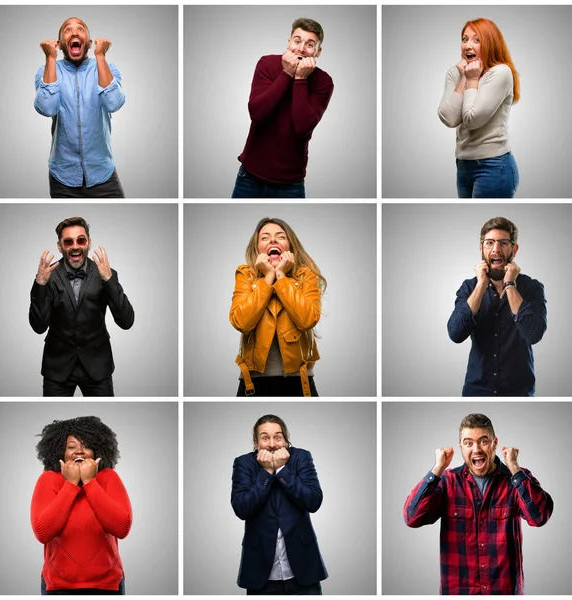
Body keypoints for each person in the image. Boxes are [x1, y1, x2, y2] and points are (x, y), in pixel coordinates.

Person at [404, 413, 553, 595]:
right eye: (468, 443)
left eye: (483, 441)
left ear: (495, 443)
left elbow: (539, 516)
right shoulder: (447, 481)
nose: (476, 449)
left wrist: (515, 468)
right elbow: (412, 517)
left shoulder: (516, 479)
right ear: (461, 447)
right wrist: (436, 470)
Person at [29, 216, 135, 396]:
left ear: (88, 243)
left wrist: (109, 280)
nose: (75, 246)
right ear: (60, 246)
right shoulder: (48, 276)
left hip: (97, 365)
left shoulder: (106, 274)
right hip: (57, 367)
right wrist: (40, 284)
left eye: (81, 240)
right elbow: (39, 326)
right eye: (68, 242)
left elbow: (126, 321)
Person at [231, 18, 334, 198]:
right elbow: (257, 113)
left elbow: (302, 128)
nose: (301, 48)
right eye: (297, 41)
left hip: (290, 183)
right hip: (249, 177)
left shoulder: (323, 82)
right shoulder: (266, 64)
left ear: (318, 52)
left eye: (310, 44)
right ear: (288, 43)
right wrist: (287, 74)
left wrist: (300, 79)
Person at [31, 416, 132, 594]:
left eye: (86, 446)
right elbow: (42, 532)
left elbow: (121, 528)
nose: (79, 452)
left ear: (98, 451)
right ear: (60, 452)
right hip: (58, 586)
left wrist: (89, 482)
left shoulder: (109, 477)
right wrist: (70, 485)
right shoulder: (48, 479)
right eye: (71, 447)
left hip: (107, 584)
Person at [447, 217, 546, 396]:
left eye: (503, 243)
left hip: (519, 393)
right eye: (489, 243)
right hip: (476, 391)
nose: (496, 249)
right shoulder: (469, 287)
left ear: (514, 249)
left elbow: (534, 334)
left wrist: (510, 285)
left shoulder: (532, 287)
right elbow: (455, 333)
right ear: (481, 248)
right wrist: (480, 285)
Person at [231, 414, 328, 594]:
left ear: (286, 440)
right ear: (255, 443)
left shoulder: (301, 457)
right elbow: (241, 508)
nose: (272, 444)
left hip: (303, 571)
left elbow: (314, 501)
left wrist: (282, 470)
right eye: (265, 438)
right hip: (261, 574)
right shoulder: (244, 463)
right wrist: (267, 472)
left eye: (278, 437)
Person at [229, 218, 326, 396]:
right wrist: (267, 277)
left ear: (290, 245)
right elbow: (241, 322)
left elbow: (307, 320)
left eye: (280, 236)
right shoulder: (245, 275)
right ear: (257, 248)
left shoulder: (306, 276)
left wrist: (280, 275)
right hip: (252, 382)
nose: (273, 240)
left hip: (299, 380)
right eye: (265, 238)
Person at [34, 17, 125, 198]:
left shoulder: (109, 68)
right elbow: (47, 108)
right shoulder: (45, 70)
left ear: (90, 44)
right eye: (68, 30)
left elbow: (113, 103)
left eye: (81, 29)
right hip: (63, 177)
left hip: (103, 173)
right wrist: (50, 58)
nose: (75, 32)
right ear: (59, 44)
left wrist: (101, 56)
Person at [438, 19, 520, 198]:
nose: (467, 45)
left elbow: (472, 120)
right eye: (464, 39)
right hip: (463, 164)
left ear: (490, 43)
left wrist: (473, 80)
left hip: (493, 165)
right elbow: (449, 118)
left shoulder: (500, 73)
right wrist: (464, 78)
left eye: (476, 40)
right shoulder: (456, 72)